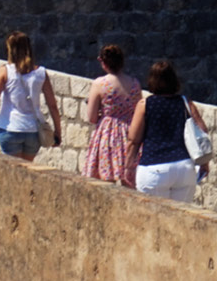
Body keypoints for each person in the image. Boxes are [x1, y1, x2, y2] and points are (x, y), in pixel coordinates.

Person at [125, 59, 209, 203]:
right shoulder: (185, 102)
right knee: (181, 219)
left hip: (153, 167)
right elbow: (202, 131)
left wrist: (128, 167)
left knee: (151, 219)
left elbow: (134, 140)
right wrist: (204, 163)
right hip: (184, 167)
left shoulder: (145, 104)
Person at [0, 31, 61, 162]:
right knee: (27, 170)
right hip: (33, 130)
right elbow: (52, 105)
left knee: (12, 172)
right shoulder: (41, 73)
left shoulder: (5, 71)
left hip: (10, 128)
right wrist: (57, 131)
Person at [82, 44, 140, 187]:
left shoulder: (100, 84)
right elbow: (138, 111)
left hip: (107, 134)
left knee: (106, 180)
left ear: (103, 61)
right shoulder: (134, 84)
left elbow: (92, 117)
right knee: (130, 183)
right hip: (130, 132)